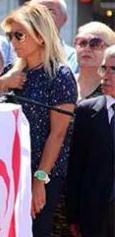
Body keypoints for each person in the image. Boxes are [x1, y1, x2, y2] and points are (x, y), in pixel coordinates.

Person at [0, 3, 77, 236]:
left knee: (36, 231)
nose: (13, 42)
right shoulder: (14, 71)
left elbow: (58, 134)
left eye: (19, 35)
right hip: (11, 168)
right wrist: (4, 83)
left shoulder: (60, 75)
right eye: (10, 35)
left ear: (41, 36)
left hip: (44, 171)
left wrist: (39, 180)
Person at [67, 46, 115, 237]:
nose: (106, 75)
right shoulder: (86, 111)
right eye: (104, 68)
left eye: (113, 69)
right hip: (94, 214)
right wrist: (73, 215)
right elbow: (76, 166)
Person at [30, 0, 78, 72]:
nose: (43, 16)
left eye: (50, 11)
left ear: (64, 19)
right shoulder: (16, 54)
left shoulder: (75, 59)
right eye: (37, 11)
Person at [74, 22, 115, 100]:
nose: (87, 49)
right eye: (82, 43)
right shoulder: (63, 81)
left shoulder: (111, 89)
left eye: (96, 44)